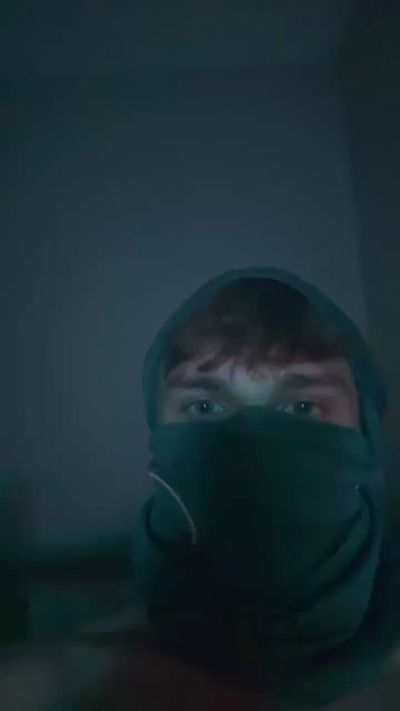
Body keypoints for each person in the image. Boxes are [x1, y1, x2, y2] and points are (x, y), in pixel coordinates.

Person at [1, 266, 399, 710]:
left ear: (366, 432)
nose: (254, 449)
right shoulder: (60, 685)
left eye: (302, 406)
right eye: (205, 406)